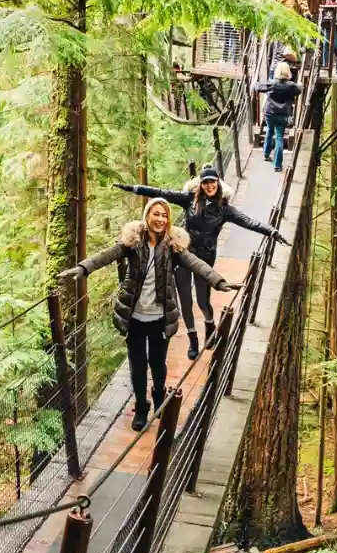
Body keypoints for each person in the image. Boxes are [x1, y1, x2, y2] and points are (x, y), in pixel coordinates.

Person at [60, 198, 238, 430]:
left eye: (164, 215)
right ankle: (141, 407)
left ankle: (159, 395)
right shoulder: (133, 243)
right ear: (147, 216)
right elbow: (108, 255)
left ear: (168, 220)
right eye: (156, 214)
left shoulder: (173, 246)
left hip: (160, 319)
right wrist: (83, 268)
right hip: (134, 318)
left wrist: (219, 281)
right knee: (137, 366)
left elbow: (196, 263)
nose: (160, 219)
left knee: (157, 363)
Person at [114, 167, 287, 360]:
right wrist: (133, 188)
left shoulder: (225, 209)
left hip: (205, 258)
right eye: (205, 182)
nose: (209, 185)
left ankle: (209, 323)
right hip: (183, 254)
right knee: (185, 300)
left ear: (218, 183)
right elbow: (161, 193)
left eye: (212, 182)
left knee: (203, 300)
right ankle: (193, 338)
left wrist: (271, 231)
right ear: (201, 184)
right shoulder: (189, 200)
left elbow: (249, 222)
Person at [255, 61, 303, 172]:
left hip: (270, 112)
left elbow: (258, 87)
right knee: (279, 137)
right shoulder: (291, 86)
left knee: (269, 130)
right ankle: (277, 165)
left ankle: (266, 153)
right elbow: (299, 89)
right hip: (283, 114)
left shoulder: (271, 83)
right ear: (288, 72)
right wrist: (300, 83)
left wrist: (254, 83)